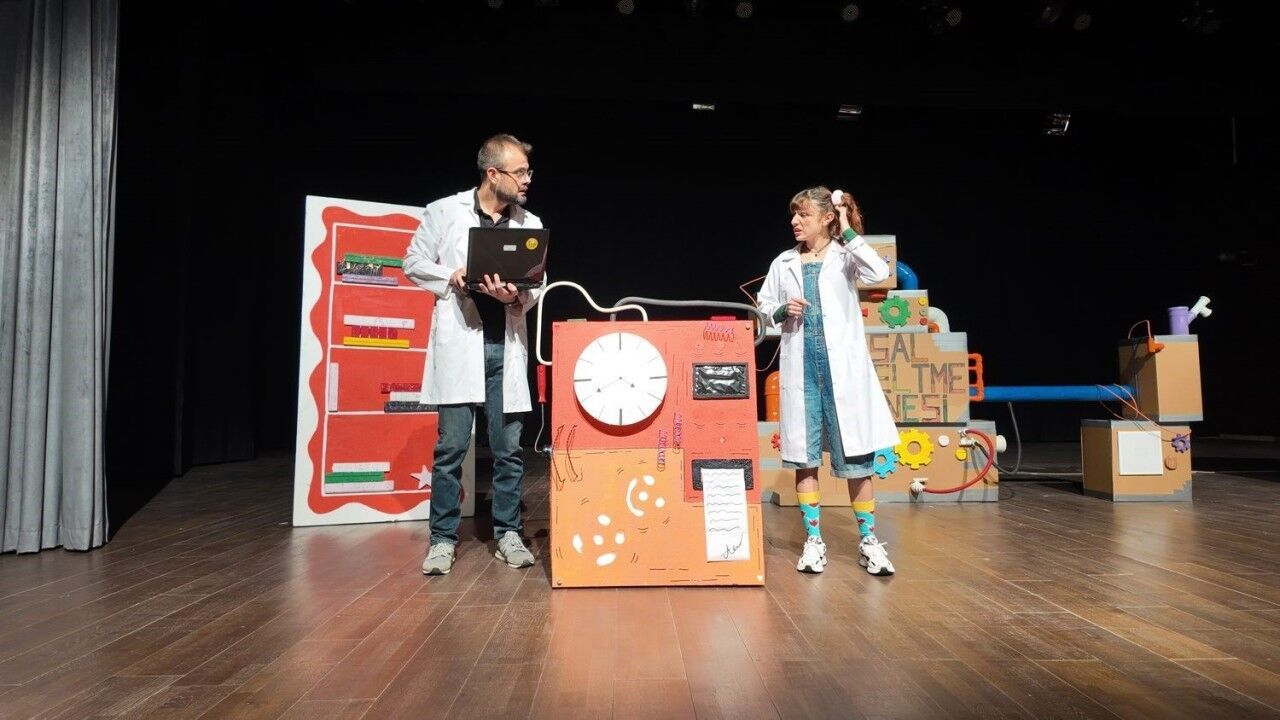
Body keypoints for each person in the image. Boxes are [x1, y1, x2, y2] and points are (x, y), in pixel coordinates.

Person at [403, 133, 544, 575]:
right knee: (450, 449)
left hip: (506, 347)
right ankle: (442, 540)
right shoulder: (445, 211)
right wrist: (452, 275)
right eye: (519, 172)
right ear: (492, 173)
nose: (527, 179)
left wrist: (513, 297)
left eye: (528, 171)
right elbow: (412, 263)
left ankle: (508, 533)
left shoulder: (529, 222)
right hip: (461, 345)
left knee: (508, 450)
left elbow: (536, 285)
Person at [757, 186, 901, 576]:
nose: (795, 221)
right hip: (803, 370)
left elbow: (880, 272)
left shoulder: (845, 255)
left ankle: (868, 542)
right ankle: (814, 541)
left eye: (803, 214)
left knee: (856, 460)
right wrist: (782, 309)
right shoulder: (784, 261)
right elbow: (763, 307)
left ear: (826, 218)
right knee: (804, 461)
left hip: (843, 375)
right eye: (793, 215)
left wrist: (848, 229)